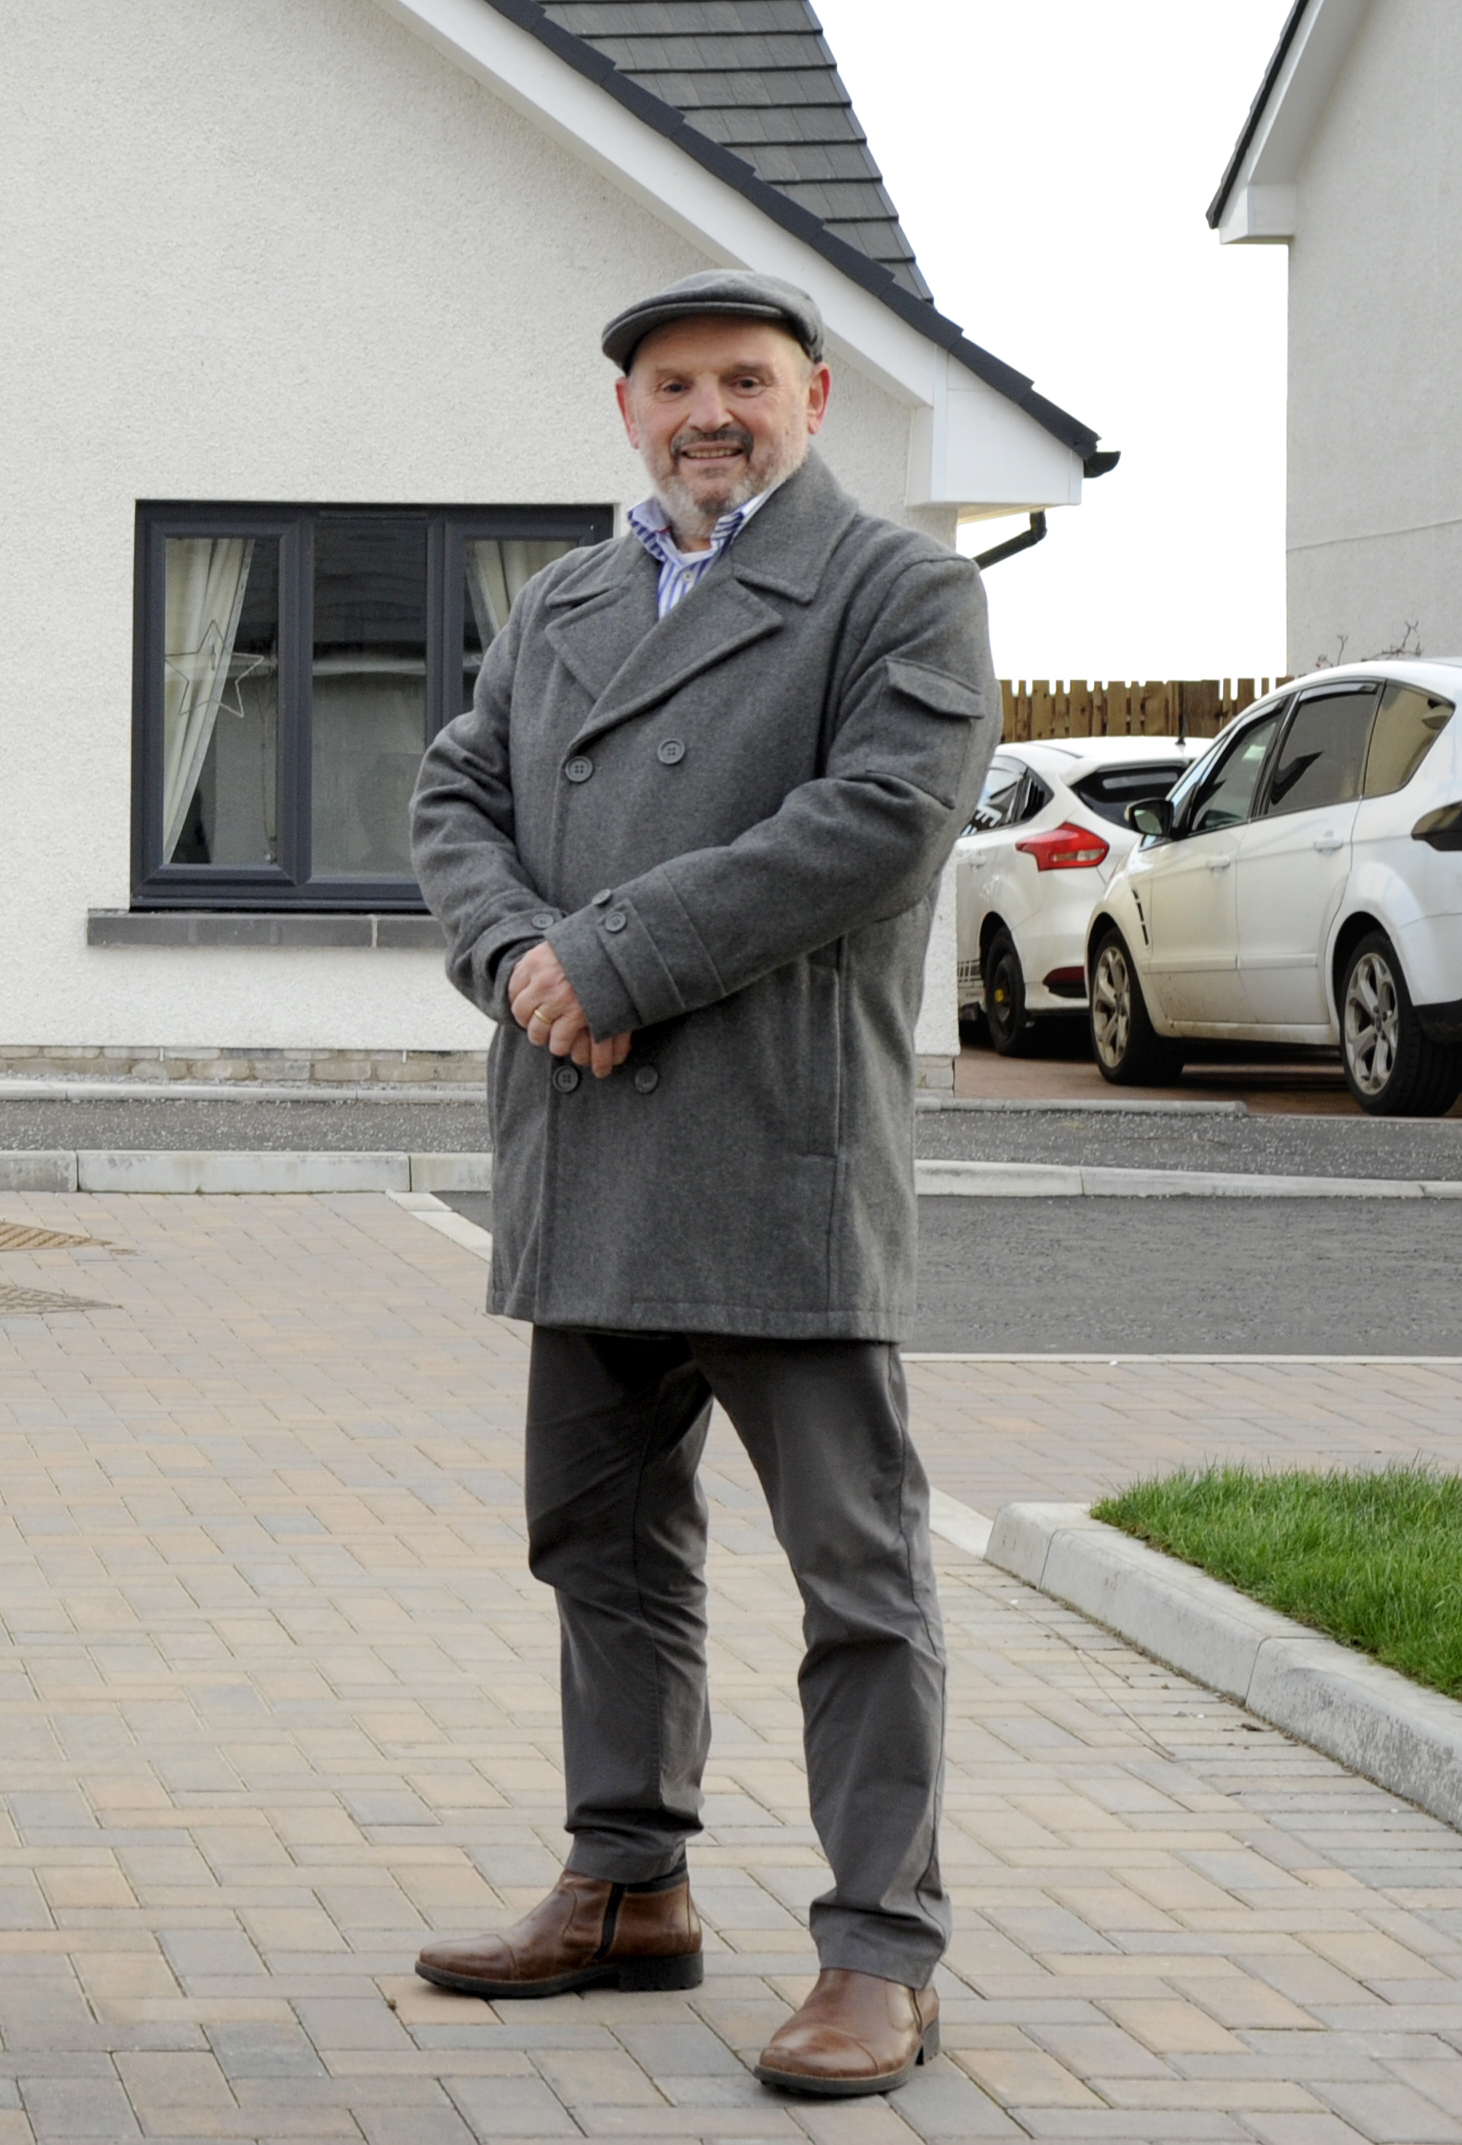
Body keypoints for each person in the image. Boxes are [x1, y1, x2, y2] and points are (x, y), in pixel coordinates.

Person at [406, 269, 999, 2099]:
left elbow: (882, 821)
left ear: (814, 396)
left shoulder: (903, 589)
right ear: (629, 413)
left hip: (776, 1160)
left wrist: (621, 960)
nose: (709, 413)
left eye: (745, 380)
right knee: (598, 1542)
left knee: (858, 1574)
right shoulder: (567, 600)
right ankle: (625, 1884)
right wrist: (523, 958)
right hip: (587, 1152)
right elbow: (454, 799)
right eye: (675, 386)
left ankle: (880, 1954)